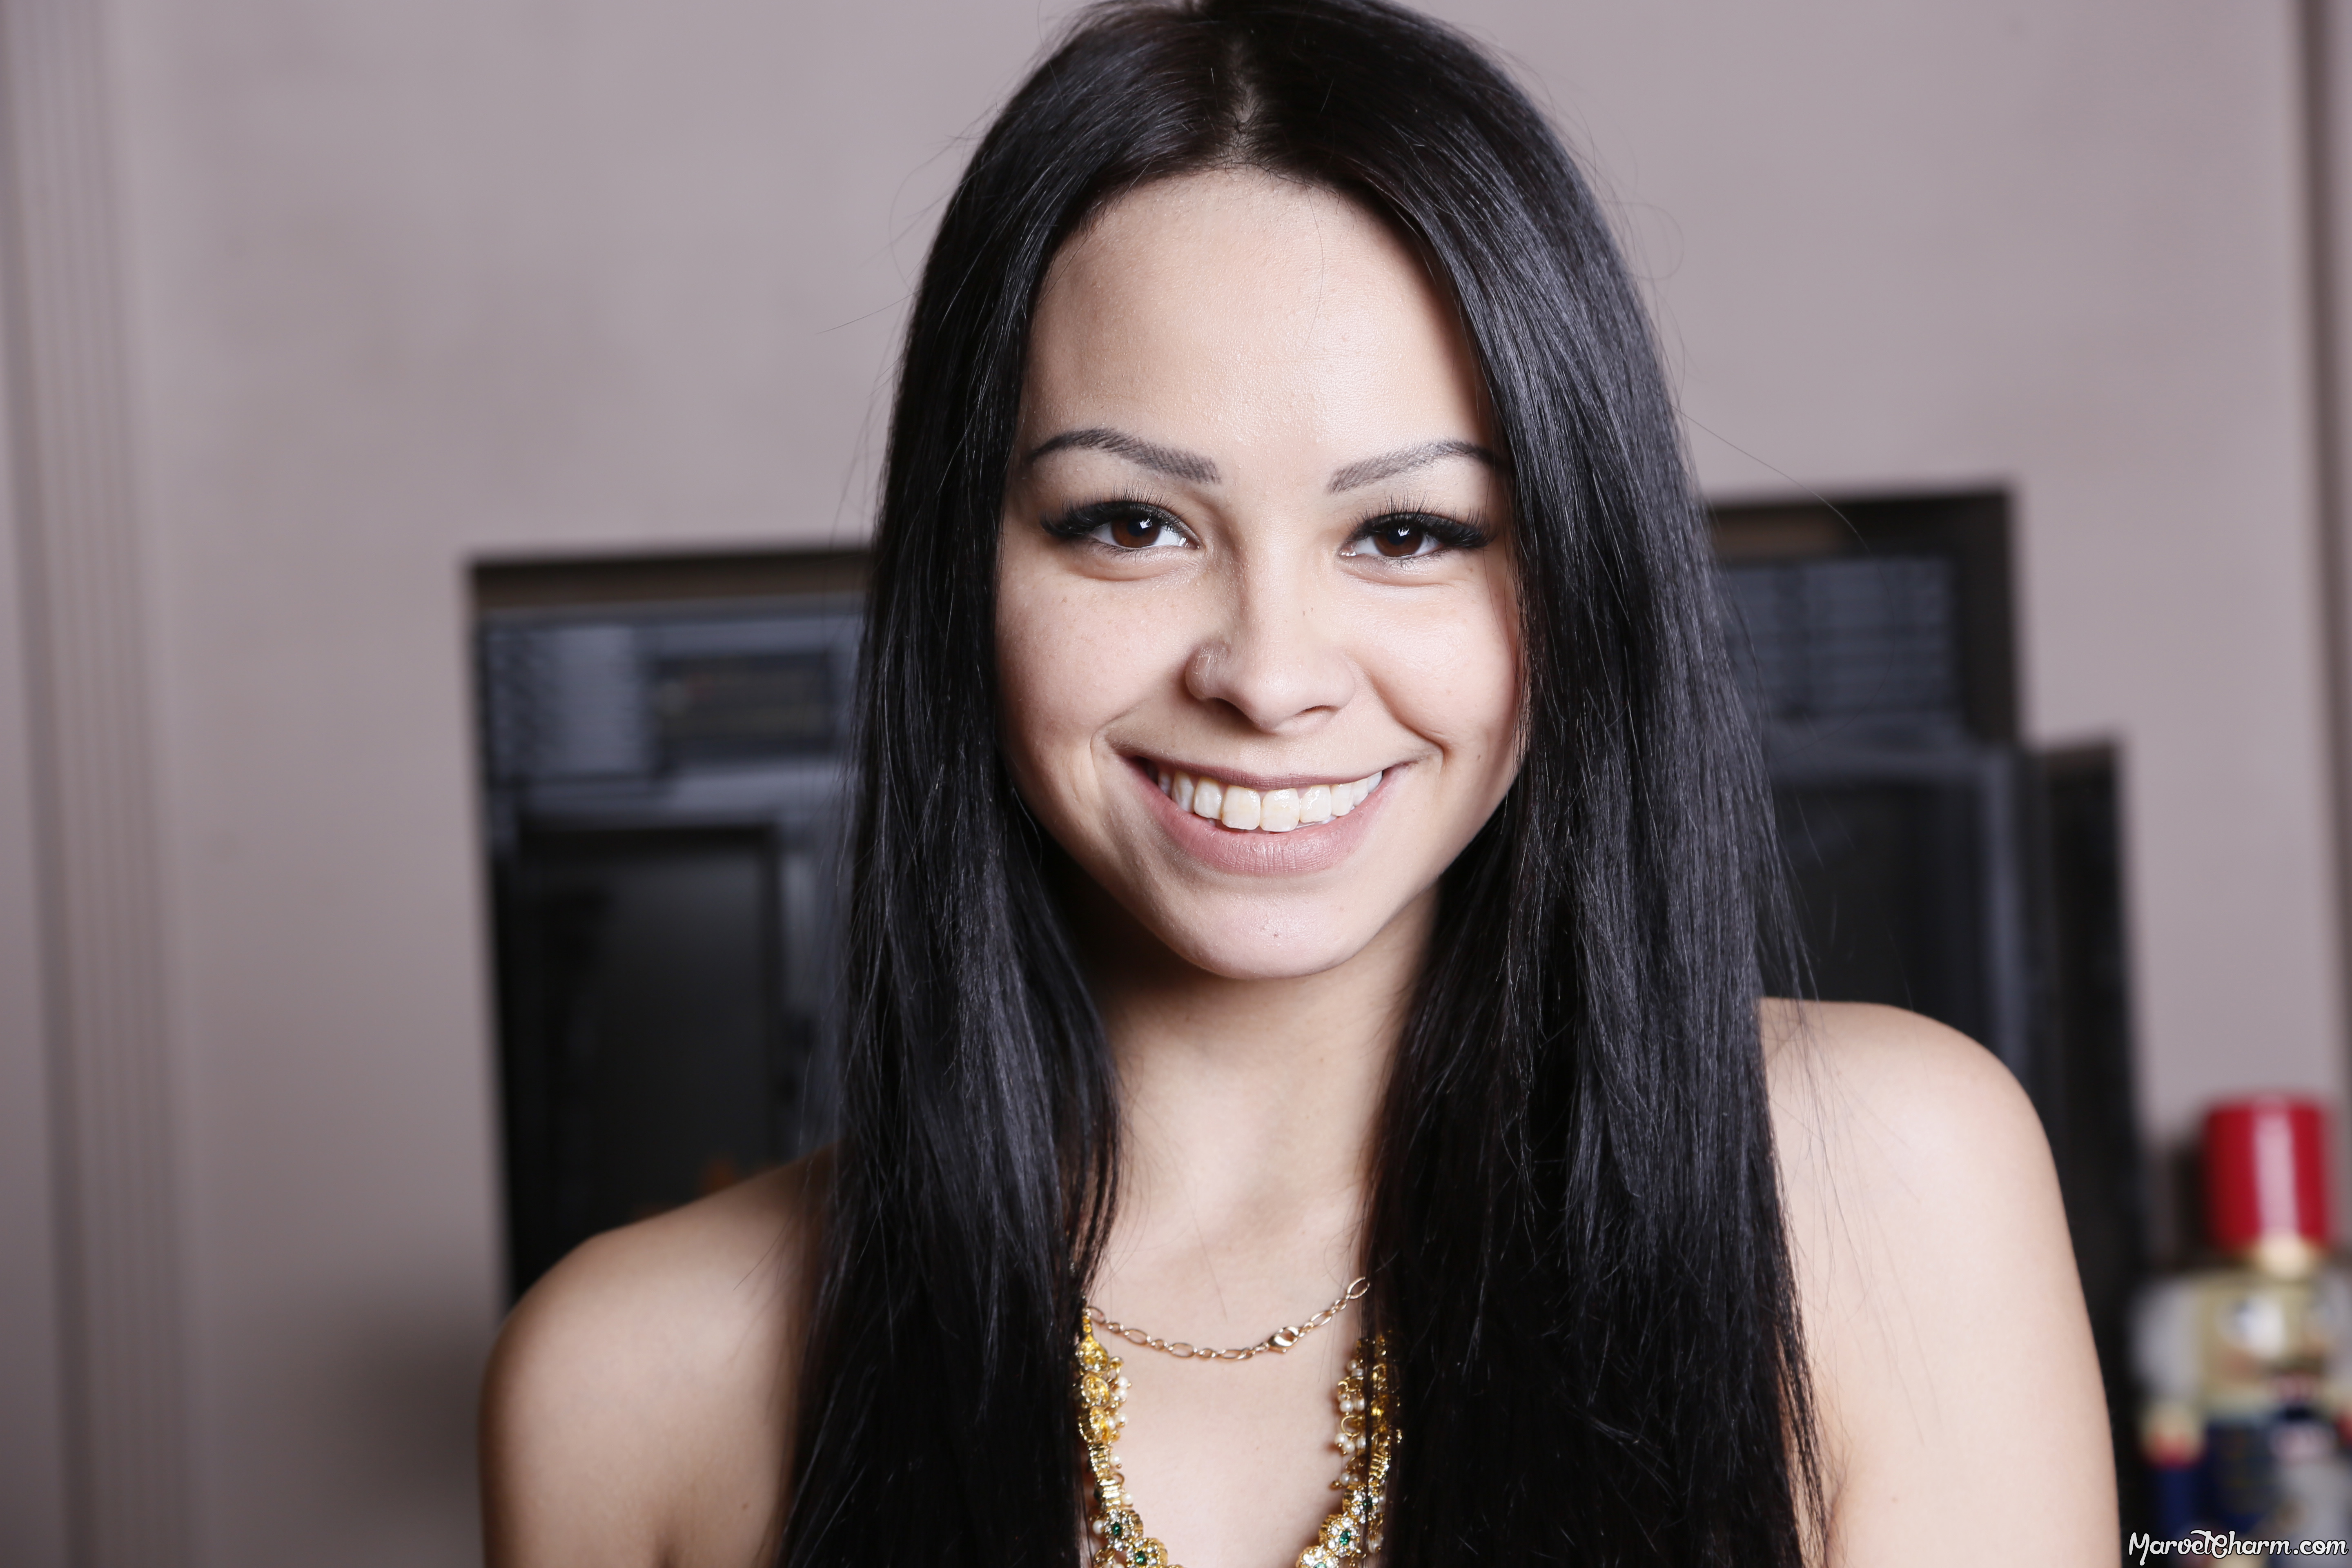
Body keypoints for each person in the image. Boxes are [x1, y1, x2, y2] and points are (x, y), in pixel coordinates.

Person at [479, 2, 2115, 1564]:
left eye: (1408, 532)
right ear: (964, 575)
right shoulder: (626, 1383)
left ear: (1577, 579)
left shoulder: (1888, 1189)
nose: (1268, 676)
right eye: (1132, 524)